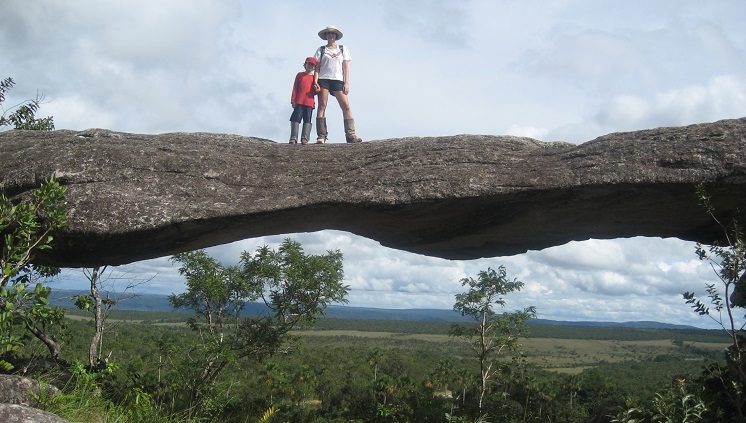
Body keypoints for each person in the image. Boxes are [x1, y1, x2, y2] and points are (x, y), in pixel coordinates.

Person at [312, 25, 362, 143]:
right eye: (328, 33)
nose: (331, 35)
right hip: (323, 79)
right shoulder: (321, 50)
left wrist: (346, 82)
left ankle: (351, 134)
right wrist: (315, 81)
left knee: (346, 105)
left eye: (333, 33)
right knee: (322, 105)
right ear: (326, 36)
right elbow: (317, 68)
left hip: (338, 79)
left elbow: (345, 67)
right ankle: (321, 135)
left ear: (336, 36)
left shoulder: (343, 49)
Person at [289, 56, 317, 145]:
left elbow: (315, 91)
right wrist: (293, 100)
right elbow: (295, 88)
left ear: (314, 67)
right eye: (309, 64)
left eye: (312, 65)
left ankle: (305, 137)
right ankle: (293, 137)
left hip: (309, 101)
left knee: (307, 119)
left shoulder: (314, 78)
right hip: (299, 101)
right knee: (296, 118)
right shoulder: (300, 75)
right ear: (305, 65)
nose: (310, 66)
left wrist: (317, 89)